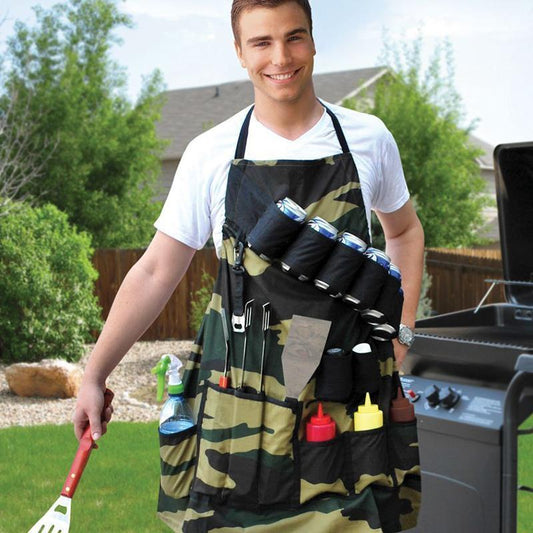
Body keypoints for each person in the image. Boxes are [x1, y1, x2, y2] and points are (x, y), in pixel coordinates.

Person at [74, 1, 424, 531]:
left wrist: (402, 332)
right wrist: (94, 374)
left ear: (313, 41)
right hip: (241, 417)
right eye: (261, 42)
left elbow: (404, 231)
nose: (280, 57)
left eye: (294, 37)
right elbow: (155, 271)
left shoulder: (368, 138)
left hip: (350, 405)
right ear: (239, 52)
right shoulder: (210, 153)